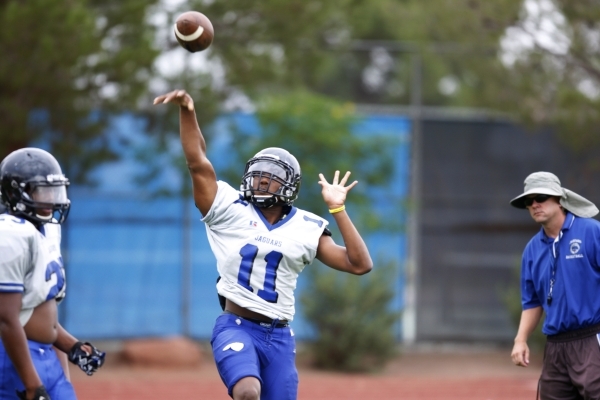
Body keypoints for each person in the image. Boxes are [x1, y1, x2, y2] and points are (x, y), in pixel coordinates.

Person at [153, 90, 373, 400]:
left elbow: (360, 264)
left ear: (289, 187)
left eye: (269, 178)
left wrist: (338, 210)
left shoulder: (307, 226)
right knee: (247, 392)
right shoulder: (230, 208)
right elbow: (198, 163)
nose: (259, 182)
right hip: (236, 326)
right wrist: (188, 111)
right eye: (256, 175)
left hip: (280, 336)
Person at [0, 148, 105, 400]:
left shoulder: (44, 230)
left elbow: (42, 314)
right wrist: (32, 384)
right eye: (42, 191)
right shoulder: (10, 233)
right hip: (16, 359)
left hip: (46, 356)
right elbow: (6, 319)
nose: (52, 199)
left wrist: (73, 347)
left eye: (54, 190)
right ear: (16, 193)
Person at [509, 171, 600, 399]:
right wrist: (520, 340)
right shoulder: (532, 250)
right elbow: (532, 302)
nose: (535, 205)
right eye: (529, 201)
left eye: (541, 197)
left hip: (592, 339)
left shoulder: (590, 232)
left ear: (559, 199)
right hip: (556, 346)